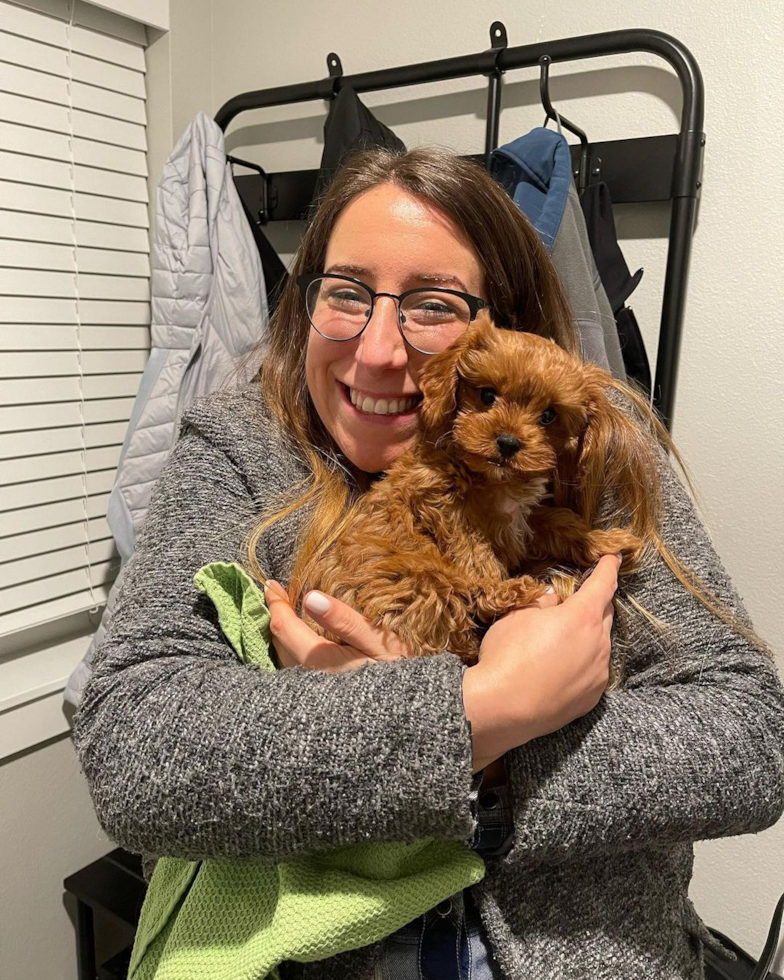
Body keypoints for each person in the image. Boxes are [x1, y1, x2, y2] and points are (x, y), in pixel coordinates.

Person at [71, 148, 784, 980]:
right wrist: (484, 709)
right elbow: (133, 750)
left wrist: (495, 753)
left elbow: (751, 739)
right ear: (307, 306)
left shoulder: (595, 451)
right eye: (345, 292)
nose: (378, 351)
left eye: (432, 305)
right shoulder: (238, 453)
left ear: (503, 323)